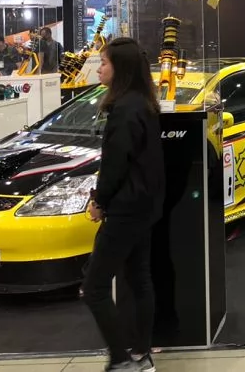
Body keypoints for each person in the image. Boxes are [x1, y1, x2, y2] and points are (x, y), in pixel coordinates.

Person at [82, 38, 165, 372]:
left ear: (121, 68)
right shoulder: (142, 103)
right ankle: (141, 356)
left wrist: (99, 201)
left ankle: (120, 360)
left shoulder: (125, 110)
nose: (99, 69)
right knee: (139, 277)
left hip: (126, 208)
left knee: (94, 287)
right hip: (143, 206)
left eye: (104, 63)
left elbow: (115, 165)